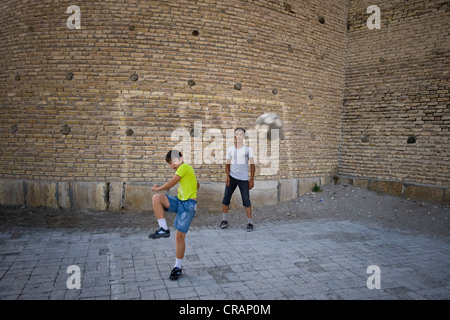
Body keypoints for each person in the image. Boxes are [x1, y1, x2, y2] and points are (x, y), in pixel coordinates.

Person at [148, 150, 200, 280]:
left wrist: (157, 188)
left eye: (174, 161)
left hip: (188, 206)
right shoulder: (186, 170)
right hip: (179, 201)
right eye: (170, 163)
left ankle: (178, 267)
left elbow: (171, 183)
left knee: (179, 238)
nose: (172, 165)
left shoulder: (185, 167)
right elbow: (197, 185)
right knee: (157, 199)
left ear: (181, 158)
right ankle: (163, 229)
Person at [220, 127, 255, 231]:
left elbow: (252, 165)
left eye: (241, 134)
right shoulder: (230, 149)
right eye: (237, 134)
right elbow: (227, 164)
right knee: (226, 198)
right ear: (234, 136)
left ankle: (249, 223)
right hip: (232, 177)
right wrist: (227, 177)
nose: (239, 136)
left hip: (243, 179)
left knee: (246, 200)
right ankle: (224, 220)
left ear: (244, 137)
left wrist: (252, 179)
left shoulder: (248, 149)